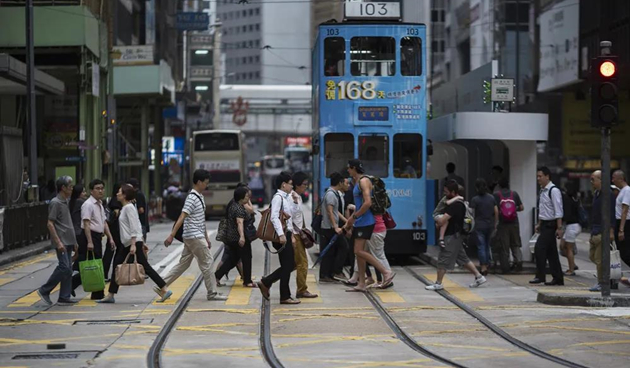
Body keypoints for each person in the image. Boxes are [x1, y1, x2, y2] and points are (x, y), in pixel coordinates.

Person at [98, 184, 171, 303]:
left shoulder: (128, 208)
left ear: (125, 195)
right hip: (128, 243)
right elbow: (136, 224)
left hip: (131, 243)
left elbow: (134, 226)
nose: (117, 194)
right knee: (117, 266)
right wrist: (140, 241)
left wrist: (135, 244)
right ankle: (111, 295)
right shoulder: (126, 207)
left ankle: (164, 288)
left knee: (145, 267)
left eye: (120, 192)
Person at [164, 169, 227, 301]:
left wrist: (207, 237)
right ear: (198, 182)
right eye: (205, 183)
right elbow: (182, 216)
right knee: (208, 262)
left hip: (194, 235)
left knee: (183, 264)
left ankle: (161, 284)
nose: (206, 185)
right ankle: (212, 293)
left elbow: (200, 219)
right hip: (194, 236)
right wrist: (172, 235)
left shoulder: (199, 196)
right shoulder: (192, 198)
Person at [343, 160, 396, 292]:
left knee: (359, 251)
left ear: (354, 168)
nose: (348, 171)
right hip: (360, 221)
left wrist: (354, 217)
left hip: (366, 222)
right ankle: (361, 283)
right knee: (359, 254)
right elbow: (360, 204)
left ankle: (385, 272)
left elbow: (367, 203)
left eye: (349, 168)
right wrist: (351, 220)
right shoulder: (357, 181)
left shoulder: (363, 181)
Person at [425, 180, 487, 290]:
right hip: (457, 235)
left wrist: (438, 222)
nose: (444, 194)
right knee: (463, 258)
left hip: (452, 235)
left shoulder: (455, 205)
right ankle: (479, 277)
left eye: (446, 192)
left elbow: (442, 221)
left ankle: (438, 283)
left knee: (443, 258)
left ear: (453, 192)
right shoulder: (458, 203)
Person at [257, 171, 299, 304]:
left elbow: (289, 217)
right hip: (281, 236)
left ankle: (267, 282)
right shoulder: (278, 198)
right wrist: (281, 235)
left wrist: (296, 202)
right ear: (283, 184)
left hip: (286, 234)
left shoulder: (286, 197)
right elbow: (274, 217)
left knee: (289, 265)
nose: (292, 187)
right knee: (289, 265)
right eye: (290, 184)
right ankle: (283, 295)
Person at [37, 176, 79, 306]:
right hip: (62, 241)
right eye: (70, 186)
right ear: (63, 188)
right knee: (64, 267)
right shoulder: (55, 202)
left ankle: (64, 296)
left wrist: (75, 241)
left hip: (69, 240)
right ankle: (45, 290)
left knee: (68, 269)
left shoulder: (65, 201)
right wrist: (58, 242)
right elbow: (50, 223)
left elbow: (68, 222)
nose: (72, 188)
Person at [72, 179, 116, 300]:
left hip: (97, 236)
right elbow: (86, 224)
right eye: (97, 188)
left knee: (96, 265)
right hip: (88, 236)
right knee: (92, 265)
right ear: (91, 191)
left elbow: (104, 223)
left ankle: (96, 292)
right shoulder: (88, 205)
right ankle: (95, 292)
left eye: (102, 188)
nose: (100, 190)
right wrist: (90, 241)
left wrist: (110, 238)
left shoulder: (100, 204)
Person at [214, 187, 256, 288]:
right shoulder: (239, 208)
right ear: (241, 197)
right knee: (247, 258)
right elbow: (239, 222)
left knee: (233, 259)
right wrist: (242, 237)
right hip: (238, 238)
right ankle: (247, 281)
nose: (248, 197)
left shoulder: (234, 205)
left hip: (231, 238)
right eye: (246, 196)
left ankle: (217, 275)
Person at [531, 167, 564, 286]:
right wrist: (539, 224)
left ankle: (540, 276)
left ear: (547, 176)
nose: (538, 179)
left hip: (551, 225)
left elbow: (558, 210)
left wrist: (559, 228)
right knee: (551, 253)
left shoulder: (553, 190)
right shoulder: (542, 190)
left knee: (539, 248)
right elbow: (543, 209)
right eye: (537, 176)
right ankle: (558, 278)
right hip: (544, 224)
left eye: (540, 176)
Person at [290, 172, 318, 298]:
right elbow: (288, 217)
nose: (306, 187)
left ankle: (267, 281)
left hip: (298, 233)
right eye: (304, 185)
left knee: (295, 264)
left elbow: (298, 216)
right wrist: (291, 236)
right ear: (296, 185)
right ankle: (301, 290)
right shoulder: (291, 198)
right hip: (294, 235)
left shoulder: (299, 197)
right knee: (302, 263)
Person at [588, 171, 616, 292]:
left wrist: (611, 231)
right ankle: (607, 275)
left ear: (600, 180)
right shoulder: (597, 193)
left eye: (593, 179)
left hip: (602, 231)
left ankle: (602, 282)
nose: (591, 182)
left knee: (600, 259)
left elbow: (611, 214)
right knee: (592, 256)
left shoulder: (607, 194)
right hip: (595, 230)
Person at [319, 172, 349, 283]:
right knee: (344, 247)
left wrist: (347, 221)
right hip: (329, 228)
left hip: (330, 227)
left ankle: (328, 274)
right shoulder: (331, 194)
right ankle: (335, 271)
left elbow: (336, 212)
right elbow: (330, 211)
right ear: (340, 182)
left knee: (330, 251)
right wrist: (335, 226)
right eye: (343, 182)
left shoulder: (334, 193)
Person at [493, 177, 525, 273]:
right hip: (514, 223)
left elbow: (496, 210)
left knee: (504, 246)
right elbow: (522, 207)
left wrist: (496, 222)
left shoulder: (496, 195)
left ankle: (506, 267)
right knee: (515, 244)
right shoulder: (514, 194)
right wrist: (513, 210)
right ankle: (518, 263)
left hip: (503, 224)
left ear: (499, 185)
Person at [470, 178, 498, 276]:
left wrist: (470, 227)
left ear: (476, 188)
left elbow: (471, 214)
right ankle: (488, 263)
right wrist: (495, 224)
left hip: (479, 226)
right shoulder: (491, 198)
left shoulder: (475, 199)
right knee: (487, 245)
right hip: (490, 225)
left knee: (481, 246)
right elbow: (496, 211)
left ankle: (483, 267)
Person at [612, 170, 630, 287]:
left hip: (625, 223)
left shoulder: (627, 191)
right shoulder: (622, 191)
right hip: (620, 222)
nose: (613, 180)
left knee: (625, 252)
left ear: (621, 179)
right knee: (623, 251)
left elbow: (624, 210)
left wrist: (621, 229)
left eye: (614, 178)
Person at [560, 183, 582, 276]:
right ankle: (572, 264)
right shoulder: (575, 198)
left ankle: (571, 270)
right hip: (572, 226)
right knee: (562, 246)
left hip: (572, 226)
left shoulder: (567, 200)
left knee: (568, 248)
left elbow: (567, 215)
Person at [103, 183, 124, 282]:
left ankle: (106, 273)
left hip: (113, 230)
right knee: (114, 252)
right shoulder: (116, 200)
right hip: (116, 230)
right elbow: (116, 214)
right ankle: (112, 274)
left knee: (110, 251)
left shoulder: (113, 199)